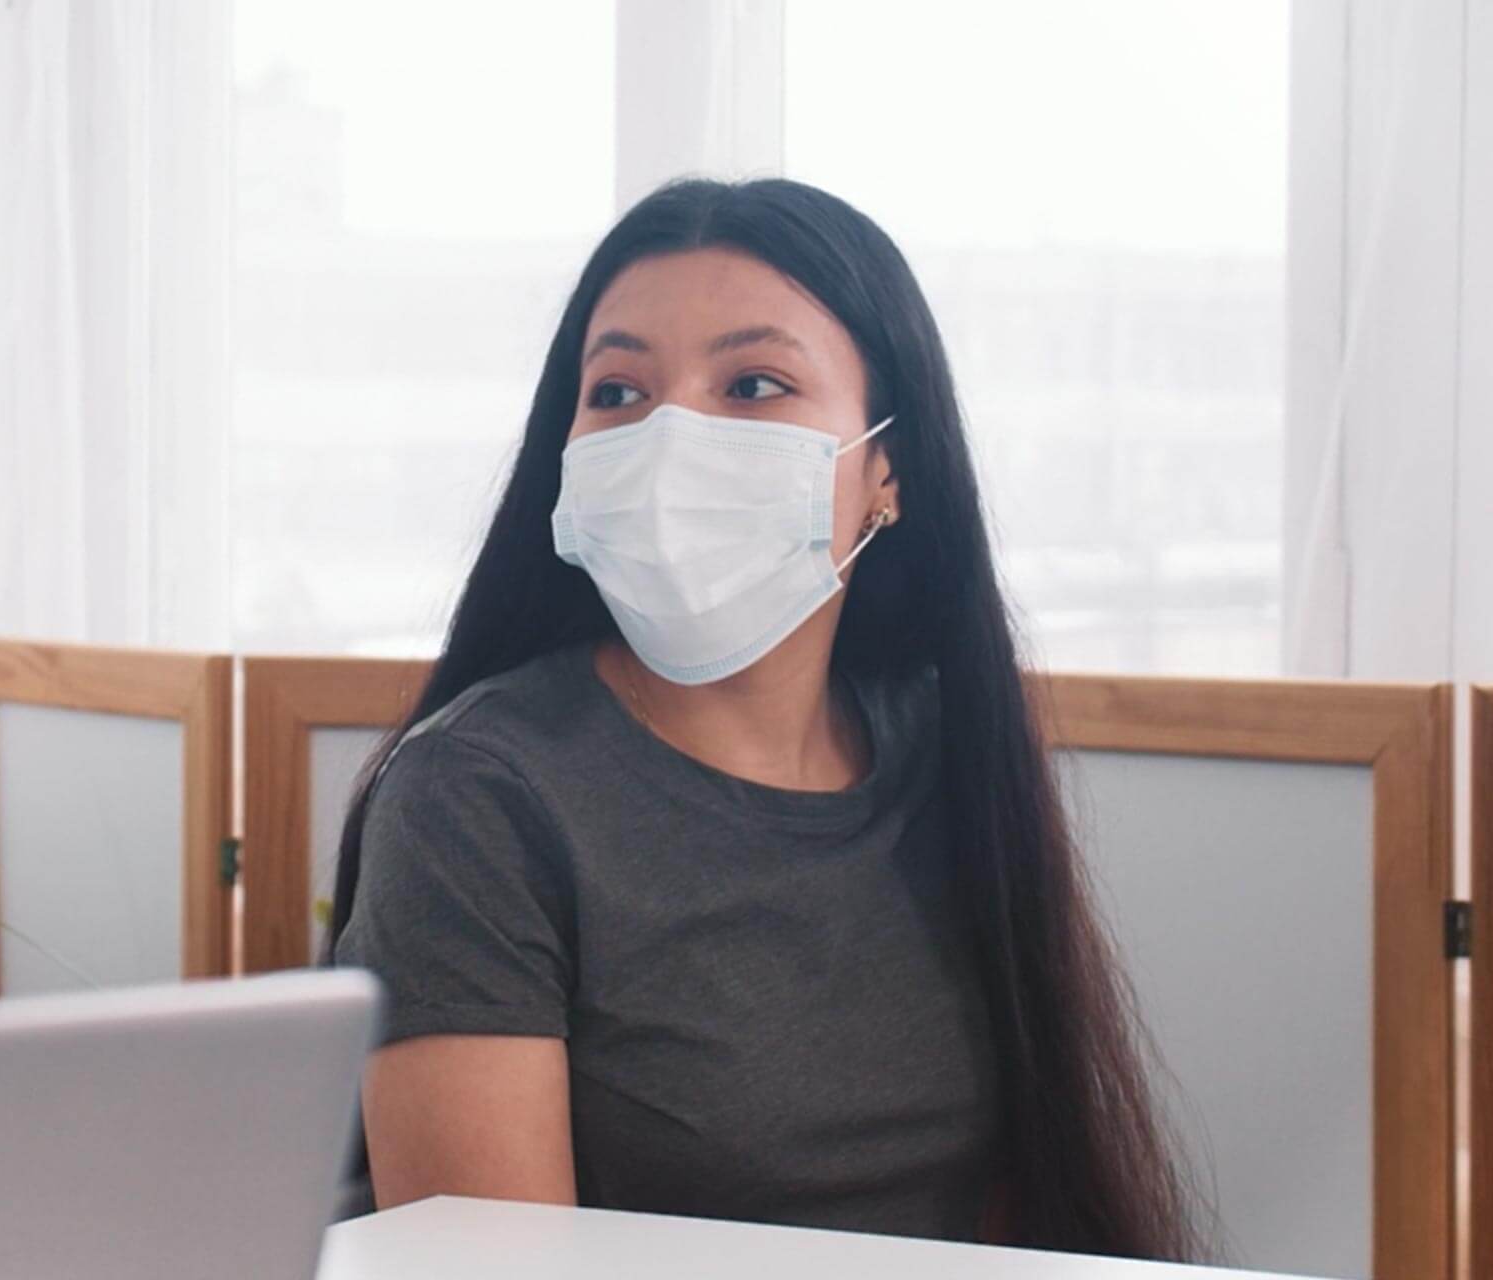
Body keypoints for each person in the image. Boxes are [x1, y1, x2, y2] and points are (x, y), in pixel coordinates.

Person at [329, 178, 1200, 1261]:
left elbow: (1018, 1203)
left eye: (752, 383)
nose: (670, 439)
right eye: (617, 391)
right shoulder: (475, 797)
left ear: (885, 469)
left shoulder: (948, 750)